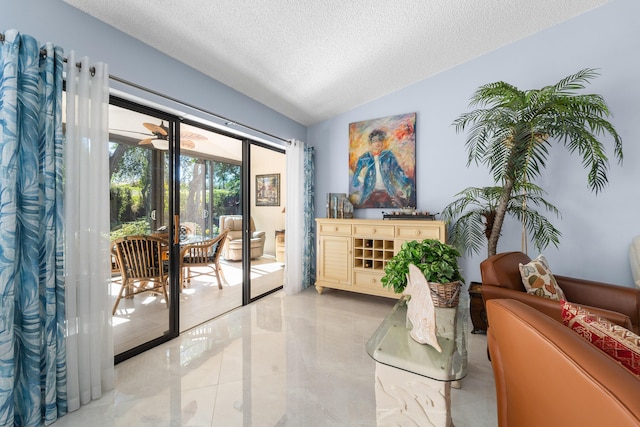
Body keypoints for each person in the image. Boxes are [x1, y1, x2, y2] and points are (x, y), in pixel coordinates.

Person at [351, 129, 414, 208]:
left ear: (383, 142)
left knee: (397, 207)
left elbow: (397, 171)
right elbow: (356, 175)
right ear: (370, 143)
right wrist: (362, 181)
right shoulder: (364, 158)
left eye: (380, 140)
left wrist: (405, 185)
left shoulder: (388, 155)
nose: (377, 143)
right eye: (374, 140)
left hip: (387, 190)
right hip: (369, 192)